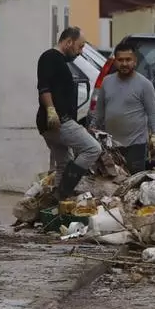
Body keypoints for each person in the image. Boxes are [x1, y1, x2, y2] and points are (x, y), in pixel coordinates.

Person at [38, 27, 102, 200]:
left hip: (56, 120)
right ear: (68, 42)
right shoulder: (50, 57)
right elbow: (44, 87)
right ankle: (63, 192)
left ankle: (55, 204)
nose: (80, 52)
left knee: (64, 163)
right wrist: (51, 110)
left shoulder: (60, 61)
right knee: (92, 148)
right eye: (79, 47)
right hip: (58, 120)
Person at [94, 41, 155, 174]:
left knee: (133, 182)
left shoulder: (144, 84)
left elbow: (153, 112)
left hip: (135, 145)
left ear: (135, 61)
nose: (124, 63)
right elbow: (99, 112)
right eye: (120, 60)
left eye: (128, 60)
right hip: (111, 145)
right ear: (115, 61)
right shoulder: (107, 82)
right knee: (111, 182)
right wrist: (94, 130)